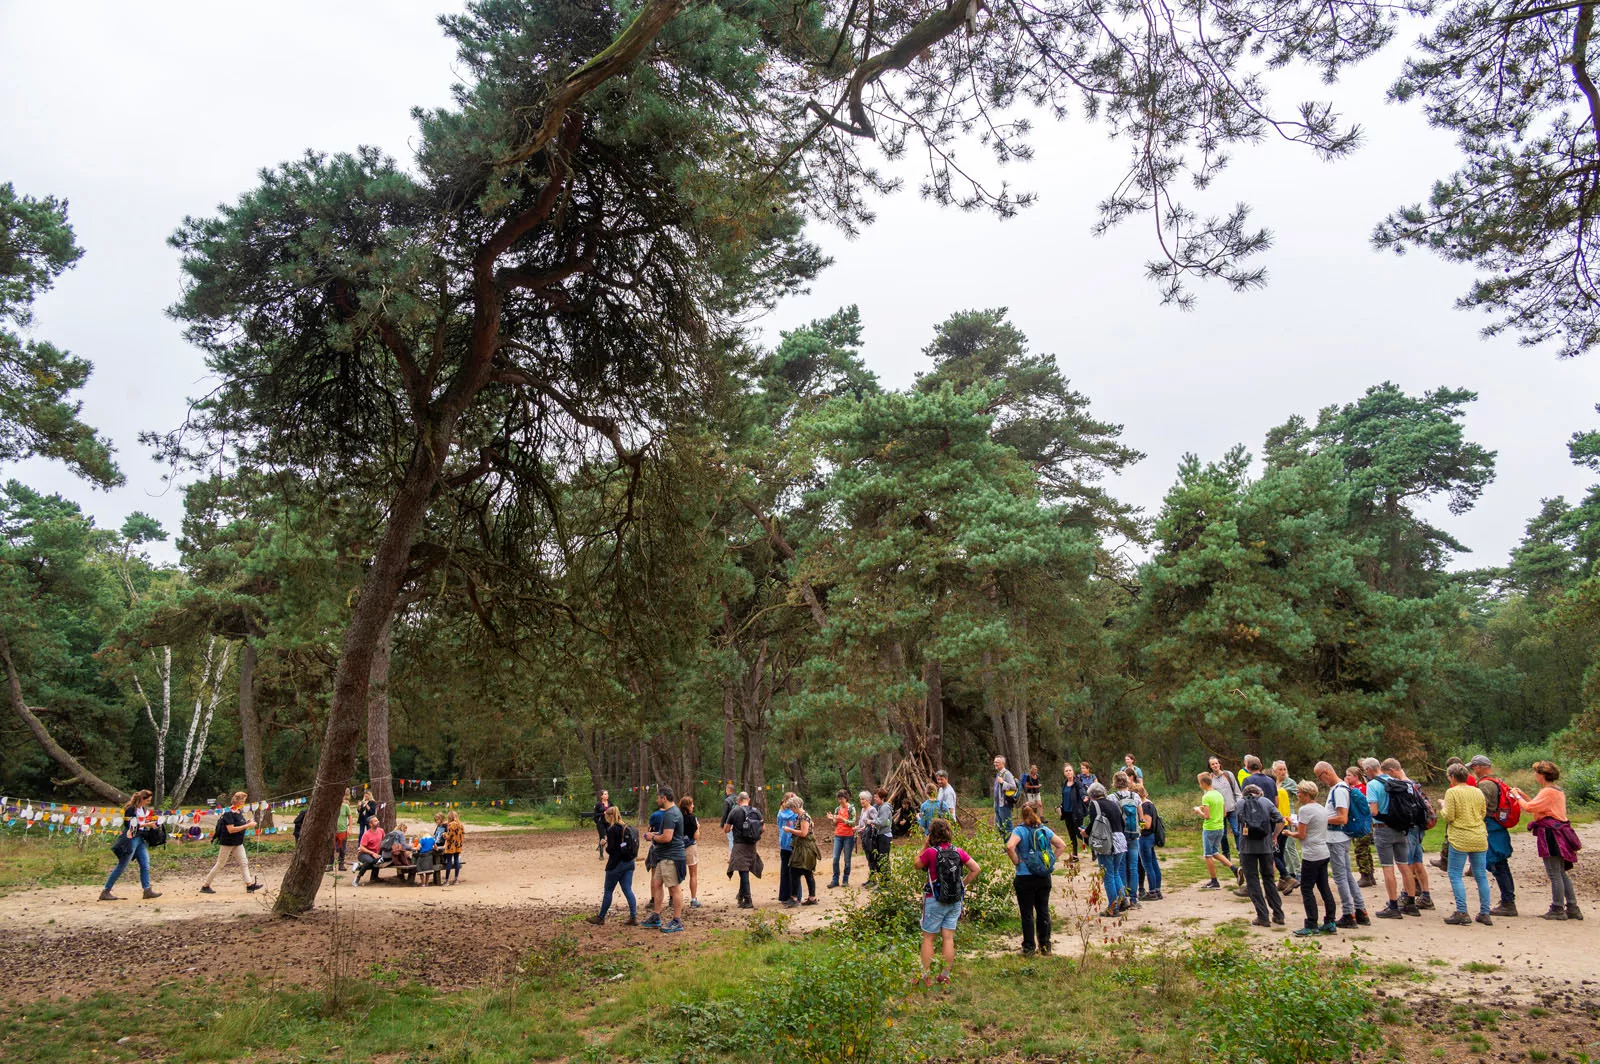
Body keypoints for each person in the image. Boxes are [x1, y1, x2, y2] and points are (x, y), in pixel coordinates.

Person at [1512, 761, 1583, 921]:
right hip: (1558, 832)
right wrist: (1523, 796)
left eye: (1536, 772)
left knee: (1554, 873)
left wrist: (1516, 796)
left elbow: (1530, 808)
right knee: (1560, 872)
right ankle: (1572, 907)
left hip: (1551, 834)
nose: (1534, 775)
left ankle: (1558, 908)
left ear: (1542, 775)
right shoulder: (1554, 790)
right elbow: (1536, 807)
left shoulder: (1548, 792)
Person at [916, 818, 980, 986]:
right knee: (948, 938)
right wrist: (962, 884)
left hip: (934, 899)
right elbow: (976, 868)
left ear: (931, 835)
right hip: (954, 900)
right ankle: (945, 975)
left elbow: (916, 864)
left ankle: (925, 976)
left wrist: (925, 845)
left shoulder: (931, 852)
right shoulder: (958, 851)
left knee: (929, 938)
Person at [1006, 801, 1066, 956]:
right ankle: (1045, 946)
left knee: (1027, 913)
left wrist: (1016, 861)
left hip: (1025, 876)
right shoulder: (1044, 829)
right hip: (1043, 876)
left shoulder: (1019, 830)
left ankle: (1029, 947)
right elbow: (1062, 845)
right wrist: (1052, 860)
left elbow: (1009, 846)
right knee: (1043, 911)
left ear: (1022, 814)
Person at [1438, 761, 1494, 926]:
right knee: (1481, 875)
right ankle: (1485, 912)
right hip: (1478, 835)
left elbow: (1449, 816)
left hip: (1460, 836)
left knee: (1455, 874)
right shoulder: (1477, 792)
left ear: (1453, 777)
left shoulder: (1452, 792)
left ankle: (1462, 911)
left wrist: (1442, 807)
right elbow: (1483, 812)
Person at [1367, 758, 1423, 919]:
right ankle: (1411, 903)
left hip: (1383, 830)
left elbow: (1374, 811)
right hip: (1401, 828)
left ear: (1370, 769)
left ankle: (1393, 906)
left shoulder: (1372, 785)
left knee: (1387, 867)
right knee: (1405, 867)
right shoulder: (1399, 782)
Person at [1315, 761, 1368, 927]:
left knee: (1340, 877)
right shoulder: (1340, 788)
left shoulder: (1339, 790)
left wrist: (1320, 819)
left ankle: (1348, 913)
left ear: (1326, 772)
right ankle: (1360, 910)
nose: (1320, 780)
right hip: (1339, 838)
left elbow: (1342, 818)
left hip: (1337, 838)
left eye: (1319, 777)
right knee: (1347, 874)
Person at [1468, 755, 1517, 917]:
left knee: (1497, 864)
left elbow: (1481, 808)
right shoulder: (1497, 781)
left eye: (1474, 766)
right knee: (1501, 864)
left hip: (1491, 827)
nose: (1473, 770)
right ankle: (1507, 900)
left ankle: (1508, 902)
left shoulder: (1485, 785)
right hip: (1498, 826)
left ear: (1480, 767)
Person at [1286, 781, 1336, 936]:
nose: (1298, 795)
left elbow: (1302, 834)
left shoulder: (1305, 809)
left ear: (1306, 795)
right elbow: (1309, 828)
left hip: (1311, 855)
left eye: (1300, 792)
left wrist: (1288, 833)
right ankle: (1330, 921)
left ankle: (1311, 924)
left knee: (1306, 888)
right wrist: (1294, 824)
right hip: (1323, 852)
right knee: (1323, 887)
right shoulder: (1320, 808)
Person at [1236, 783, 1285, 927]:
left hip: (1247, 847)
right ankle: (1278, 914)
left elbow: (1238, 822)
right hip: (1266, 847)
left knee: (1252, 881)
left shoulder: (1240, 803)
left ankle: (1262, 916)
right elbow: (1281, 820)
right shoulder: (1267, 802)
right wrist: (1274, 836)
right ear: (1260, 793)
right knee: (1269, 879)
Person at [101, 789, 162, 901]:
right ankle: (106, 891)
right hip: (131, 838)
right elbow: (130, 825)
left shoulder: (143, 809)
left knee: (145, 863)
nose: (149, 802)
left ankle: (147, 890)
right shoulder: (130, 810)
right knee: (122, 865)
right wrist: (147, 824)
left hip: (140, 838)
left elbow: (141, 825)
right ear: (142, 799)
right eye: (147, 800)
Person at [200, 791, 263, 895]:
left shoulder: (239, 812)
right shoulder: (228, 812)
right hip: (227, 842)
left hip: (238, 842)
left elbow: (240, 824)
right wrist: (248, 826)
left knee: (244, 862)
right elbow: (231, 829)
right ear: (236, 800)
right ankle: (205, 885)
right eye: (242, 800)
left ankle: (249, 885)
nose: (243, 802)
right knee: (220, 864)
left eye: (244, 800)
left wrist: (247, 823)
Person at [642, 787, 686, 932]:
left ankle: (677, 920)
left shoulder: (670, 814)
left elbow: (667, 837)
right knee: (657, 883)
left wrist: (652, 837)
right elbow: (667, 833)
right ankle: (656, 916)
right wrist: (656, 834)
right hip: (663, 857)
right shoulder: (671, 813)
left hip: (671, 857)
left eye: (658, 798)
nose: (657, 800)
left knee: (674, 888)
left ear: (664, 798)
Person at [587, 805, 638, 925]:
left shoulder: (611, 829)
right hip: (629, 862)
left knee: (608, 890)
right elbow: (621, 844)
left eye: (606, 817)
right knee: (628, 890)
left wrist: (605, 845)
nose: (605, 819)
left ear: (610, 816)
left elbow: (612, 850)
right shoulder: (626, 826)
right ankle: (633, 916)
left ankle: (601, 917)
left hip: (616, 864)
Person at [1194, 772, 1240, 891]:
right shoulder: (1219, 794)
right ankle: (1234, 869)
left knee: (1208, 854)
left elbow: (1207, 816)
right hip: (1220, 827)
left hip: (1210, 828)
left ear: (1203, 783)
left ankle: (1214, 880)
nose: (1199, 786)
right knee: (1215, 851)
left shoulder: (1206, 796)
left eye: (1200, 783)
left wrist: (1198, 810)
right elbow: (1224, 813)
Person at [1084, 782, 1125, 915]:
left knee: (1108, 875)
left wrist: (1086, 832)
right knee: (1116, 872)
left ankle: (1113, 908)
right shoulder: (1113, 803)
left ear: (1091, 795)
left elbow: (1094, 823)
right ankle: (1122, 900)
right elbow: (1122, 822)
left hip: (1106, 842)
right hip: (1120, 840)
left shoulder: (1095, 805)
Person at [723, 791, 764, 908]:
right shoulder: (756, 811)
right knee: (744, 871)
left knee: (743, 872)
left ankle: (748, 900)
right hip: (752, 845)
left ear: (738, 801)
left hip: (739, 845)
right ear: (748, 799)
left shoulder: (735, 811)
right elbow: (763, 828)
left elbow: (726, 829)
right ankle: (740, 896)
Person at [1112, 772, 1142, 908]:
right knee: (1134, 867)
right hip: (1134, 835)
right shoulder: (1135, 796)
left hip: (1121, 835)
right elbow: (1141, 817)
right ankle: (1134, 898)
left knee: (1121, 868)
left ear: (1115, 782)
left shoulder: (1113, 797)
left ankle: (1123, 898)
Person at [1271, 761, 1301, 892]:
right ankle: (1286, 875)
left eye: (1284, 769)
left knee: (1290, 845)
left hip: (1288, 816)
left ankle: (1297, 871)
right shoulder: (1273, 783)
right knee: (1281, 849)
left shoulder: (1290, 783)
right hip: (1278, 817)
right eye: (1280, 769)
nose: (1282, 772)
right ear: (1275, 771)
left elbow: (1300, 794)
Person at [785, 796, 819, 906]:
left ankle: (796, 898)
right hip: (801, 848)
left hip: (805, 849)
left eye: (791, 808)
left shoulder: (804, 817)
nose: (791, 810)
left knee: (800, 871)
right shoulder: (800, 816)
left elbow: (803, 833)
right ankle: (810, 898)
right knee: (802, 872)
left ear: (795, 806)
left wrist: (790, 830)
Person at [1347, 764, 1378, 888]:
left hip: (1362, 823)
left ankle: (1366, 875)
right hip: (1359, 822)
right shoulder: (1355, 788)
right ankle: (1369, 875)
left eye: (1349, 775)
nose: (1347, 777)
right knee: (1364, 849)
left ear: (1356, 776)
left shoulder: (1361, 789)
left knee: (1361, 848)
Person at [1132, 782, 1162, 901]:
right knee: (1153, 863)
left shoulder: (1145, 806)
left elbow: (1147, 824)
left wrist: (1138, 824)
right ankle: (1157, 890)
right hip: (1151, 837)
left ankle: (1153, 891)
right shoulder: (1150, 803)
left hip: (1145, 837)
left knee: (1148, 865)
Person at [1208, 756, 1244, 858]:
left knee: (1237, 831)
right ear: (1210, 766)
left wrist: (1238, 804)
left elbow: (1237, 791)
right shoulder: (1210, 778)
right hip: (1218, 811)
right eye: (1212, 764)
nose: (1215, 765)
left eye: (1216, 763)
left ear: (1219, 764)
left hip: (1232, 809)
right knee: (1222, 834)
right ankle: (1226, 853)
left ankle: (1241, 852)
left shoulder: (1228, 775)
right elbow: (1207, 795)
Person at [826, 789, 857, 888]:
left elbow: (853, 822)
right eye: (839, 799)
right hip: (838, 835)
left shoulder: (851, 809)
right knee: (835, 858)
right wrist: (832, 819)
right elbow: (835, 824)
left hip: (849, 836)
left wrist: (842, 819)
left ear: (846, 798)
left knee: (847, 859)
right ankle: (835, 880)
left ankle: (845, 879)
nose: (840, 801)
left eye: (842, 798)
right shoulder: (837, 809)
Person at [1058, 762, 1088, 860]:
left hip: (1076, 813)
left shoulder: (1077, 783)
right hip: (1067, 813)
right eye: (1066, 771)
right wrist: (1061, 806)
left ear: (1073, 772)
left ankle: (1094, 847)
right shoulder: (1064, 783)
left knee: (1080, 833)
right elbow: (1064, 797)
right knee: (1071, 834)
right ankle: (1075, 855)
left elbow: (1082, 792)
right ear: (1064, 773)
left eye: (1070, 770)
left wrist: (1084, 798)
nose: (1068, 772)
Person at [678, 794, 701, 909]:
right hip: (690, 848)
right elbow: (696, 836)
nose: (693, 806)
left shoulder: (676, 817)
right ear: (687, 806)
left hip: (677, 848)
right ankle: (693, 899)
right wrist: (698, 827)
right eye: (692, 804)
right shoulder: (693, 818)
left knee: (676, 875)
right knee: (693, 874)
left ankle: (674, 899)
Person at [775, 791, 798, 904]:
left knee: (785, 871)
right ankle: (795, 895)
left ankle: (784, 896)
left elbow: (778, 826)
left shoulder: (780, 813)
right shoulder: (795, 813)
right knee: (794, 871)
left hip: (784, 843)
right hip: (793, 844)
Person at [352, 820, 386, 884]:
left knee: (379, 860)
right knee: (370, 861)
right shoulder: (367, 834)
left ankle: (374, 877)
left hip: (375, 854)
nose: (378, 821)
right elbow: (361, 848)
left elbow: (384, 840)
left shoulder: (381, 830)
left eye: (377, 820)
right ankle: (358, 877)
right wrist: (372, 853)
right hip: (364, 854)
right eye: (375, 821)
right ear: (370, 824)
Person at [992, 756, 1019, 834]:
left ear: (1003, 763)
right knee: (1000, 826)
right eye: (994, 762)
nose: (995, 764)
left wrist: (1003, 782)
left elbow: (1013, 787)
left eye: (997, 762)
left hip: (1005, 804)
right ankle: (1004, 844)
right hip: (998, 804)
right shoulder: (998, 774)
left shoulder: (1007, 774)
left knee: (1007, 826)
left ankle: (1011, 844)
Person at [330, 791, 354, 871]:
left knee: (342, 848)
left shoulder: (345, 806)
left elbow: (350, 817)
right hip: (332, 831)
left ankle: (341, 864)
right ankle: (330, 865)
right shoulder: (331, 806)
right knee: (331, 848)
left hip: (342, 830)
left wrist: (350, 829)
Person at [441, 809, 464, 885]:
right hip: (458, 845)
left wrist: (444, 834)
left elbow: (449, 837)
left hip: (451, 846)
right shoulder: (461, 825)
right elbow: (462, 835)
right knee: (457, 861)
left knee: (449, 862)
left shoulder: (451, 825)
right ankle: (456, 879)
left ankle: (447, 880)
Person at [593, 789, 614, 860]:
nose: (607, 795)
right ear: (601, 796)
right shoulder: (598, 804)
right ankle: (601, 854)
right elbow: (595, 815)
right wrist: (603, 814)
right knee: (602, 837)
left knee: (610, 837)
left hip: (609, 823)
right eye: (605, 794)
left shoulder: (610, 803)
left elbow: (614, 811)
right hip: (601, 823)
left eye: (607, 794)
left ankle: (611, 853)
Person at [720, 782, 738, 856]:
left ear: (729, 790)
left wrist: (722, 824)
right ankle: (737, 855)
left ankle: (732, 856)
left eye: (726, 790)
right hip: (738, 822)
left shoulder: (727, 800)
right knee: (737, 839)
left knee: (731, 839)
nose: (725, 791)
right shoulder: (738, 799)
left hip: (730, 822)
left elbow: (725, 814)